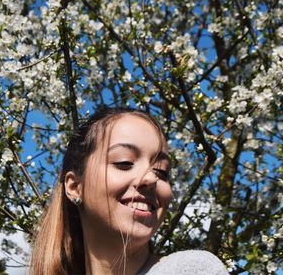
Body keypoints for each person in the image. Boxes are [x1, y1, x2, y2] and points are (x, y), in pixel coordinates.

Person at [30, 107, 228, 275]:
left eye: (162, 171)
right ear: (74, 187)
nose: (151, 178)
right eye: (124, 163)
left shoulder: (191, 270)